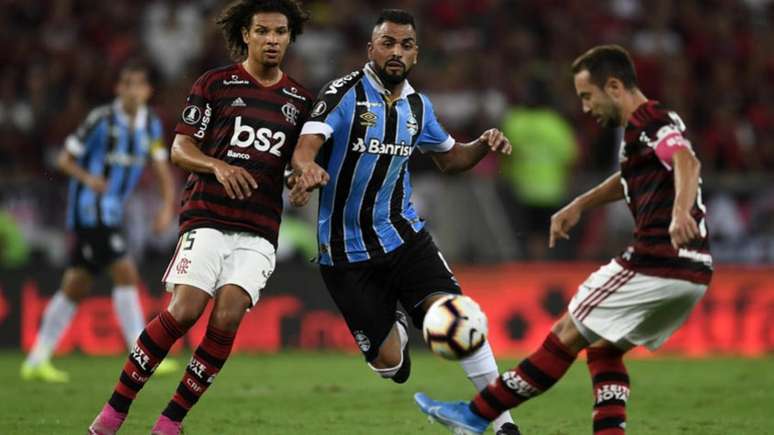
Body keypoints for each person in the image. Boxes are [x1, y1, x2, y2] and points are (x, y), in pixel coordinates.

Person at [414, 44, 713, 435]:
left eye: (588, 96)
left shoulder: (649, 120)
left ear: (614, 86)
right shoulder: (644, 131)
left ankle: (475, 414)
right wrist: (579, 204)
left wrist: (679, 213)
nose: (586, 107)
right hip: (693, 273)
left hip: (656, 263)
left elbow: (687, 161)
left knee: (565, 333)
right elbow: (628, 178)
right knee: (605, 346)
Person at [88, 1, 312, 434]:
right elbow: (180, 148)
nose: (271, 40)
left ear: (289, 37)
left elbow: (293, 163)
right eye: (262, 31)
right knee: (186, 309)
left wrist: (300, 182)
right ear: (246, 34)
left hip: (260, 229)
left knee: (227, 316)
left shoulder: (300, 101)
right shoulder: (215, 83)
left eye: (280, 32)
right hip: (207, 215)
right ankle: (112, 414)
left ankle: (170, 423)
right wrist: (218, 165)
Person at [290, 9, 517, 434]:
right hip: (345, 253)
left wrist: (482, 144)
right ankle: (393, 326)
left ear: (416, 54)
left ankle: (503, 425)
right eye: (388, 43)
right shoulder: (343, 94)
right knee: (392, 365)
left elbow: (450, 159)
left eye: (406, 45)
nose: (396, 52)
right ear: (370, 48)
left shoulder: (418, 106)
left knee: (459, 314)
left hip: (404, 236)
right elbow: (306, 146)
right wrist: (306, 169)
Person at [20, 61, 177, 383]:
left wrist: (166, 208)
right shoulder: (101, 120)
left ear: (147, 91)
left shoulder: (151, 126)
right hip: (89, 211)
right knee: (126, 271)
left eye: (139, 85)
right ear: (119, 89)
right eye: (127, 84)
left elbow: (162, 169)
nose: (133, 91)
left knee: (75, 285)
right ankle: (141, 354)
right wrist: (89, 178)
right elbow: (63, 159)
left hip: (113, 212)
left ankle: (36, 360)